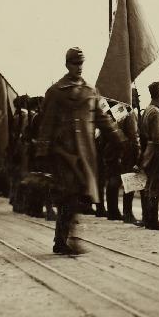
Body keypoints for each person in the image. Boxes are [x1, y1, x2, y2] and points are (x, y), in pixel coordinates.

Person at [35, 47, 126, 255]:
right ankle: (65, 240)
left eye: (81, 63)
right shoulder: (55, 91)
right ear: (67, 64)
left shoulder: (90, 91)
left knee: (77, 196)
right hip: (63, 153)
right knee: (69, 195)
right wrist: (42, 154)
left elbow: (103, 119)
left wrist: (119, 138)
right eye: (75, 63)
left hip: (85, 154)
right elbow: (46, 124)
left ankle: (64, 239)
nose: (79, 68)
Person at [103, 98, 142, 223]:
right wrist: (138, 153)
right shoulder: (129, 113)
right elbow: (134, 135)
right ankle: (128, 213)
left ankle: (112, 211)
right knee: (129, 182)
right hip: (127, 152)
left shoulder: (115, 111)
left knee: (113, 181)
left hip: (112, 150)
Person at [138, 81, 159, 230]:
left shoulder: (147, 110)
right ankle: (153, 220)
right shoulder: (156, 112)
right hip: (156, 153)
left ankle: (147, 218)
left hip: (148, 151)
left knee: (149, 186)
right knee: (155, 187)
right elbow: (158, 139)